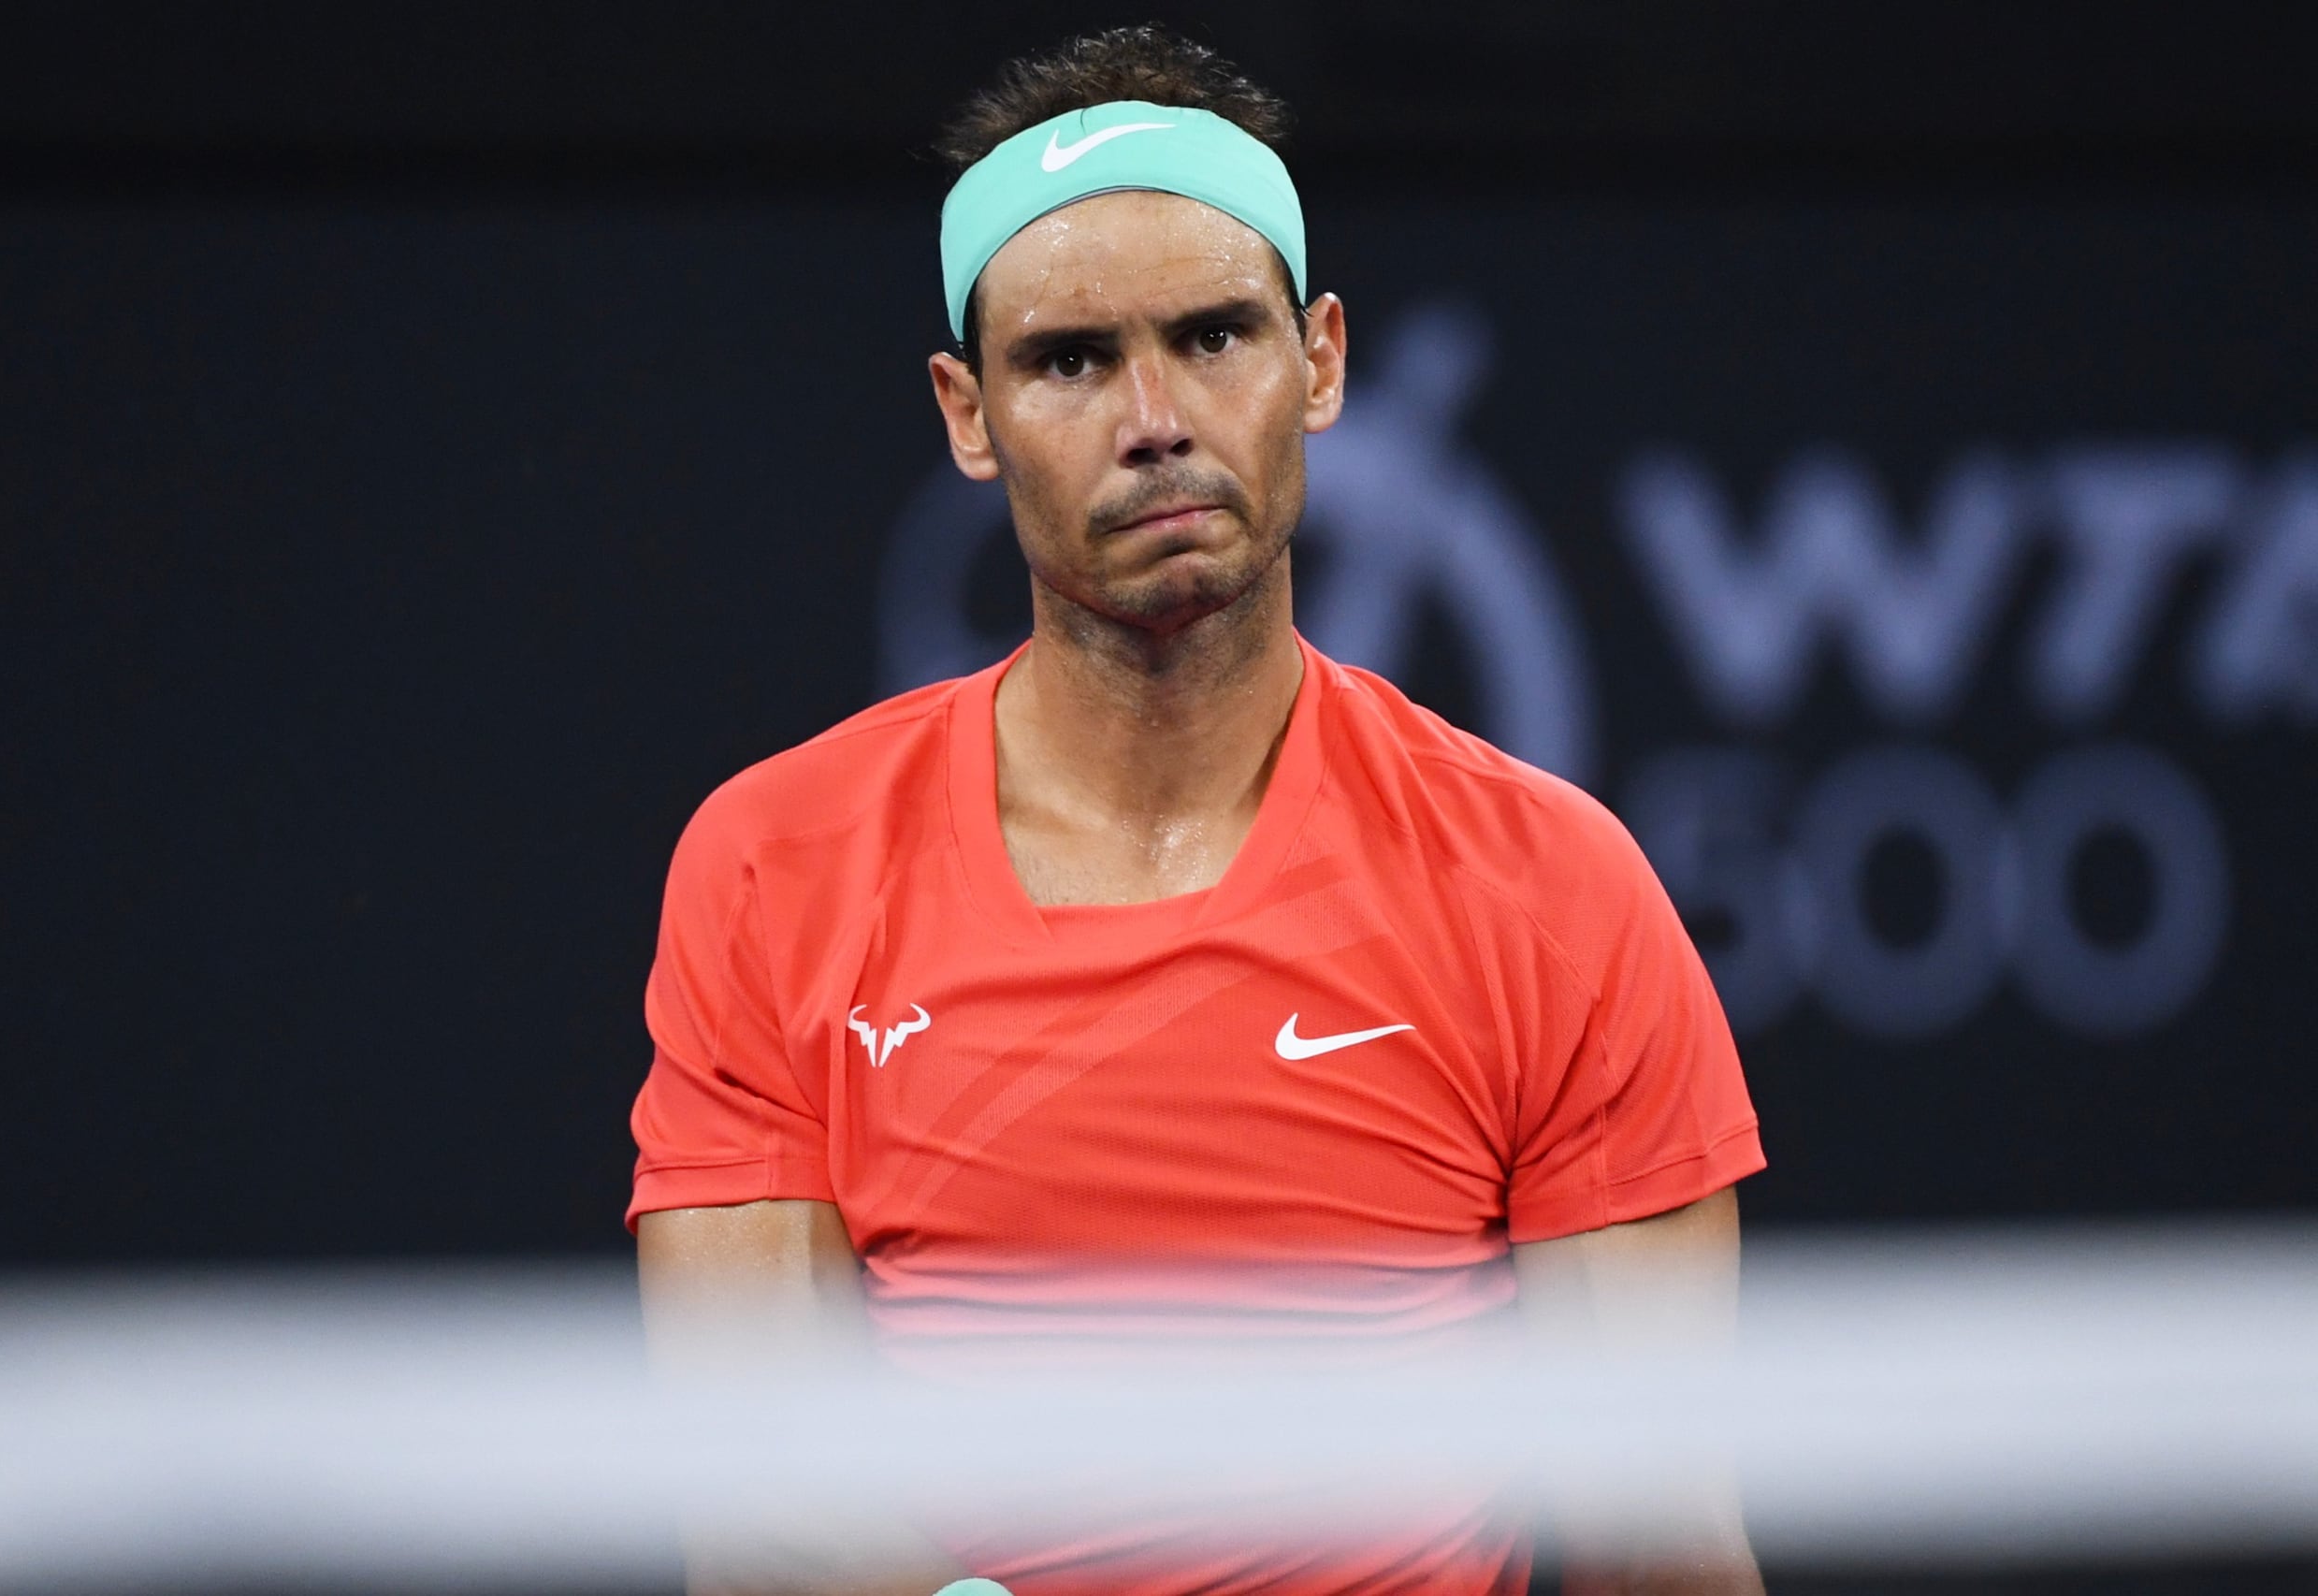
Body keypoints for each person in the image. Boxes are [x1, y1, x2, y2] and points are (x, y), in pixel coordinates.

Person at [630, 23, 1765, 1596]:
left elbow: (1659, 1536)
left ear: (1322, 360)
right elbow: (766, 1517)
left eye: (1216, 335)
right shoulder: (775, 867)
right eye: (1070, 360)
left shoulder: (1548, 885)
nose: (1153, 417)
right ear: (968, 413)